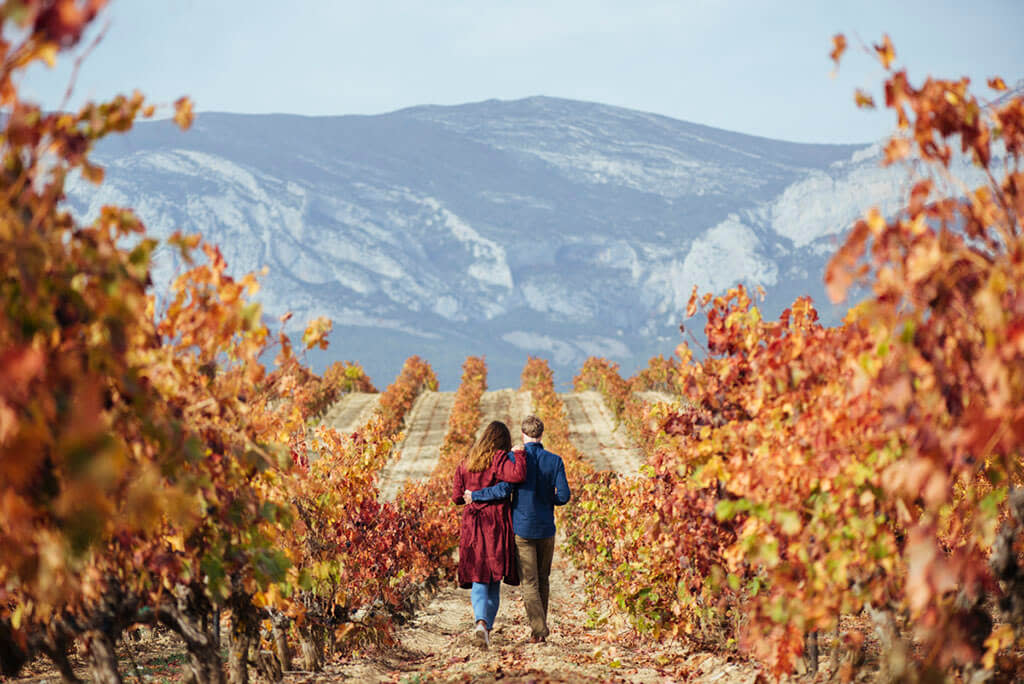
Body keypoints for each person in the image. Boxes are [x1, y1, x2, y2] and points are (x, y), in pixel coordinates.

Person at [468, 415, 571, 643]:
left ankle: (539, 628)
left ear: (523, 435)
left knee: (530, 583)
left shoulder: (514, 459)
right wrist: (547, 499)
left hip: (522, 529)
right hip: (547, 528)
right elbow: (564, 496)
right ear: (541, 434)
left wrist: (475, 495)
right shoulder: (555, 461)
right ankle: (538, 632)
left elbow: (502, 490)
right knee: (543, 579)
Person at [452, 420, 526, 648]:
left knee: (478, 574)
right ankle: (485, 626)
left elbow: (456, 497)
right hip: (495, 523)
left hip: (472, 524)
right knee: (493, 577)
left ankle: (481, 623)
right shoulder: (500, 461)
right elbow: (506, 488)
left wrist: (472, 495)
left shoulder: (466, 463)